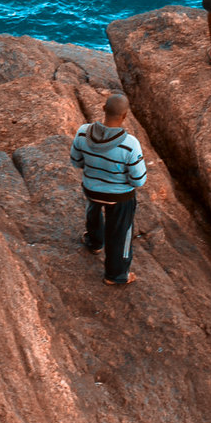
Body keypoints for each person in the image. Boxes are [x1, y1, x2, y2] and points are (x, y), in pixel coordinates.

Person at [71, 92, 149, 286]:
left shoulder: (82, 132)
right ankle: (116, 275)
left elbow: (76, 161)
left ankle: (94, 242)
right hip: (120, 197)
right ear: (124, 116)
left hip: (92, 189)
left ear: (104, 109)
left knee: (94, 208)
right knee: (121, 231)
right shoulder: (130, 145)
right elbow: (139, 180)